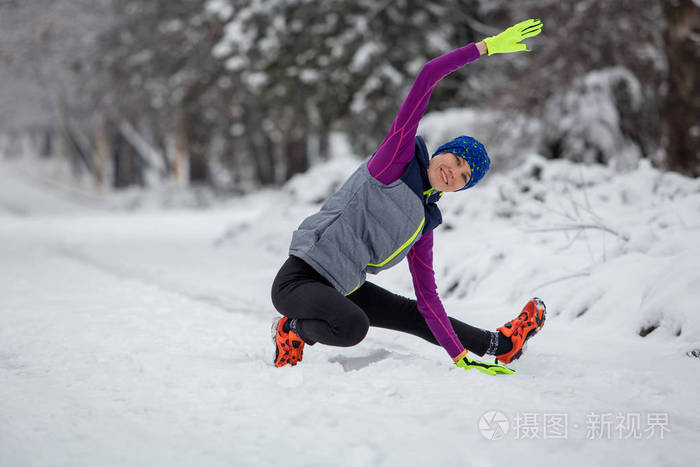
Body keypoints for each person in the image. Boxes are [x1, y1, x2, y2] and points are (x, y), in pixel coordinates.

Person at [270, 19, 547, 375]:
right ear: (441, 152)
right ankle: (291, 330)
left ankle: (502, 345)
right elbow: (428, 76)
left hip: (344, 287)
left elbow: (428, 300)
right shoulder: (395, 161)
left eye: (464, 178)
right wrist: (487, 47)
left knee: (414, 313)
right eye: (456, 160)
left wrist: (461, 358)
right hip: (300, 279)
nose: (454, 172)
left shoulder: (423, 222)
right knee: (353, 327)